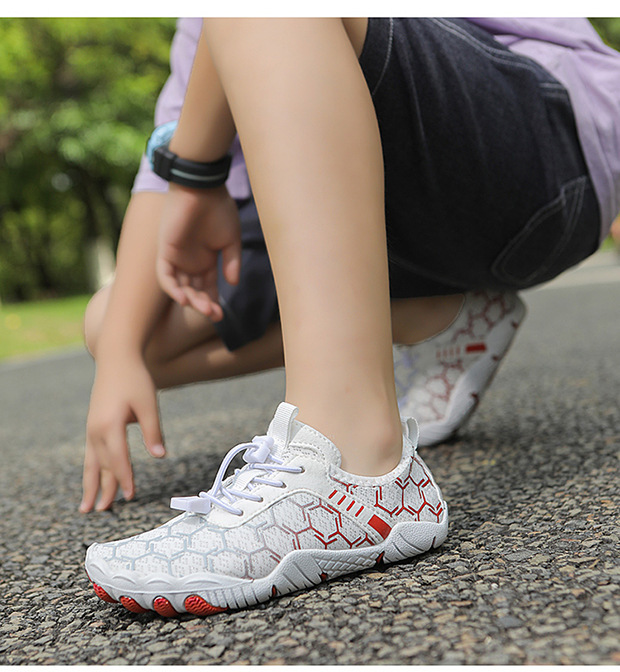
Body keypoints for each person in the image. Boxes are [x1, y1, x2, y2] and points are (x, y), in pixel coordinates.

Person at [82, 18, 620, 617]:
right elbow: (162, 163)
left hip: (537, 152)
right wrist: (120, 354)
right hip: (393, 225)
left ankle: (354, 454)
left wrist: (197, 170)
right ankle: (435, 315)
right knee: (118, 323)